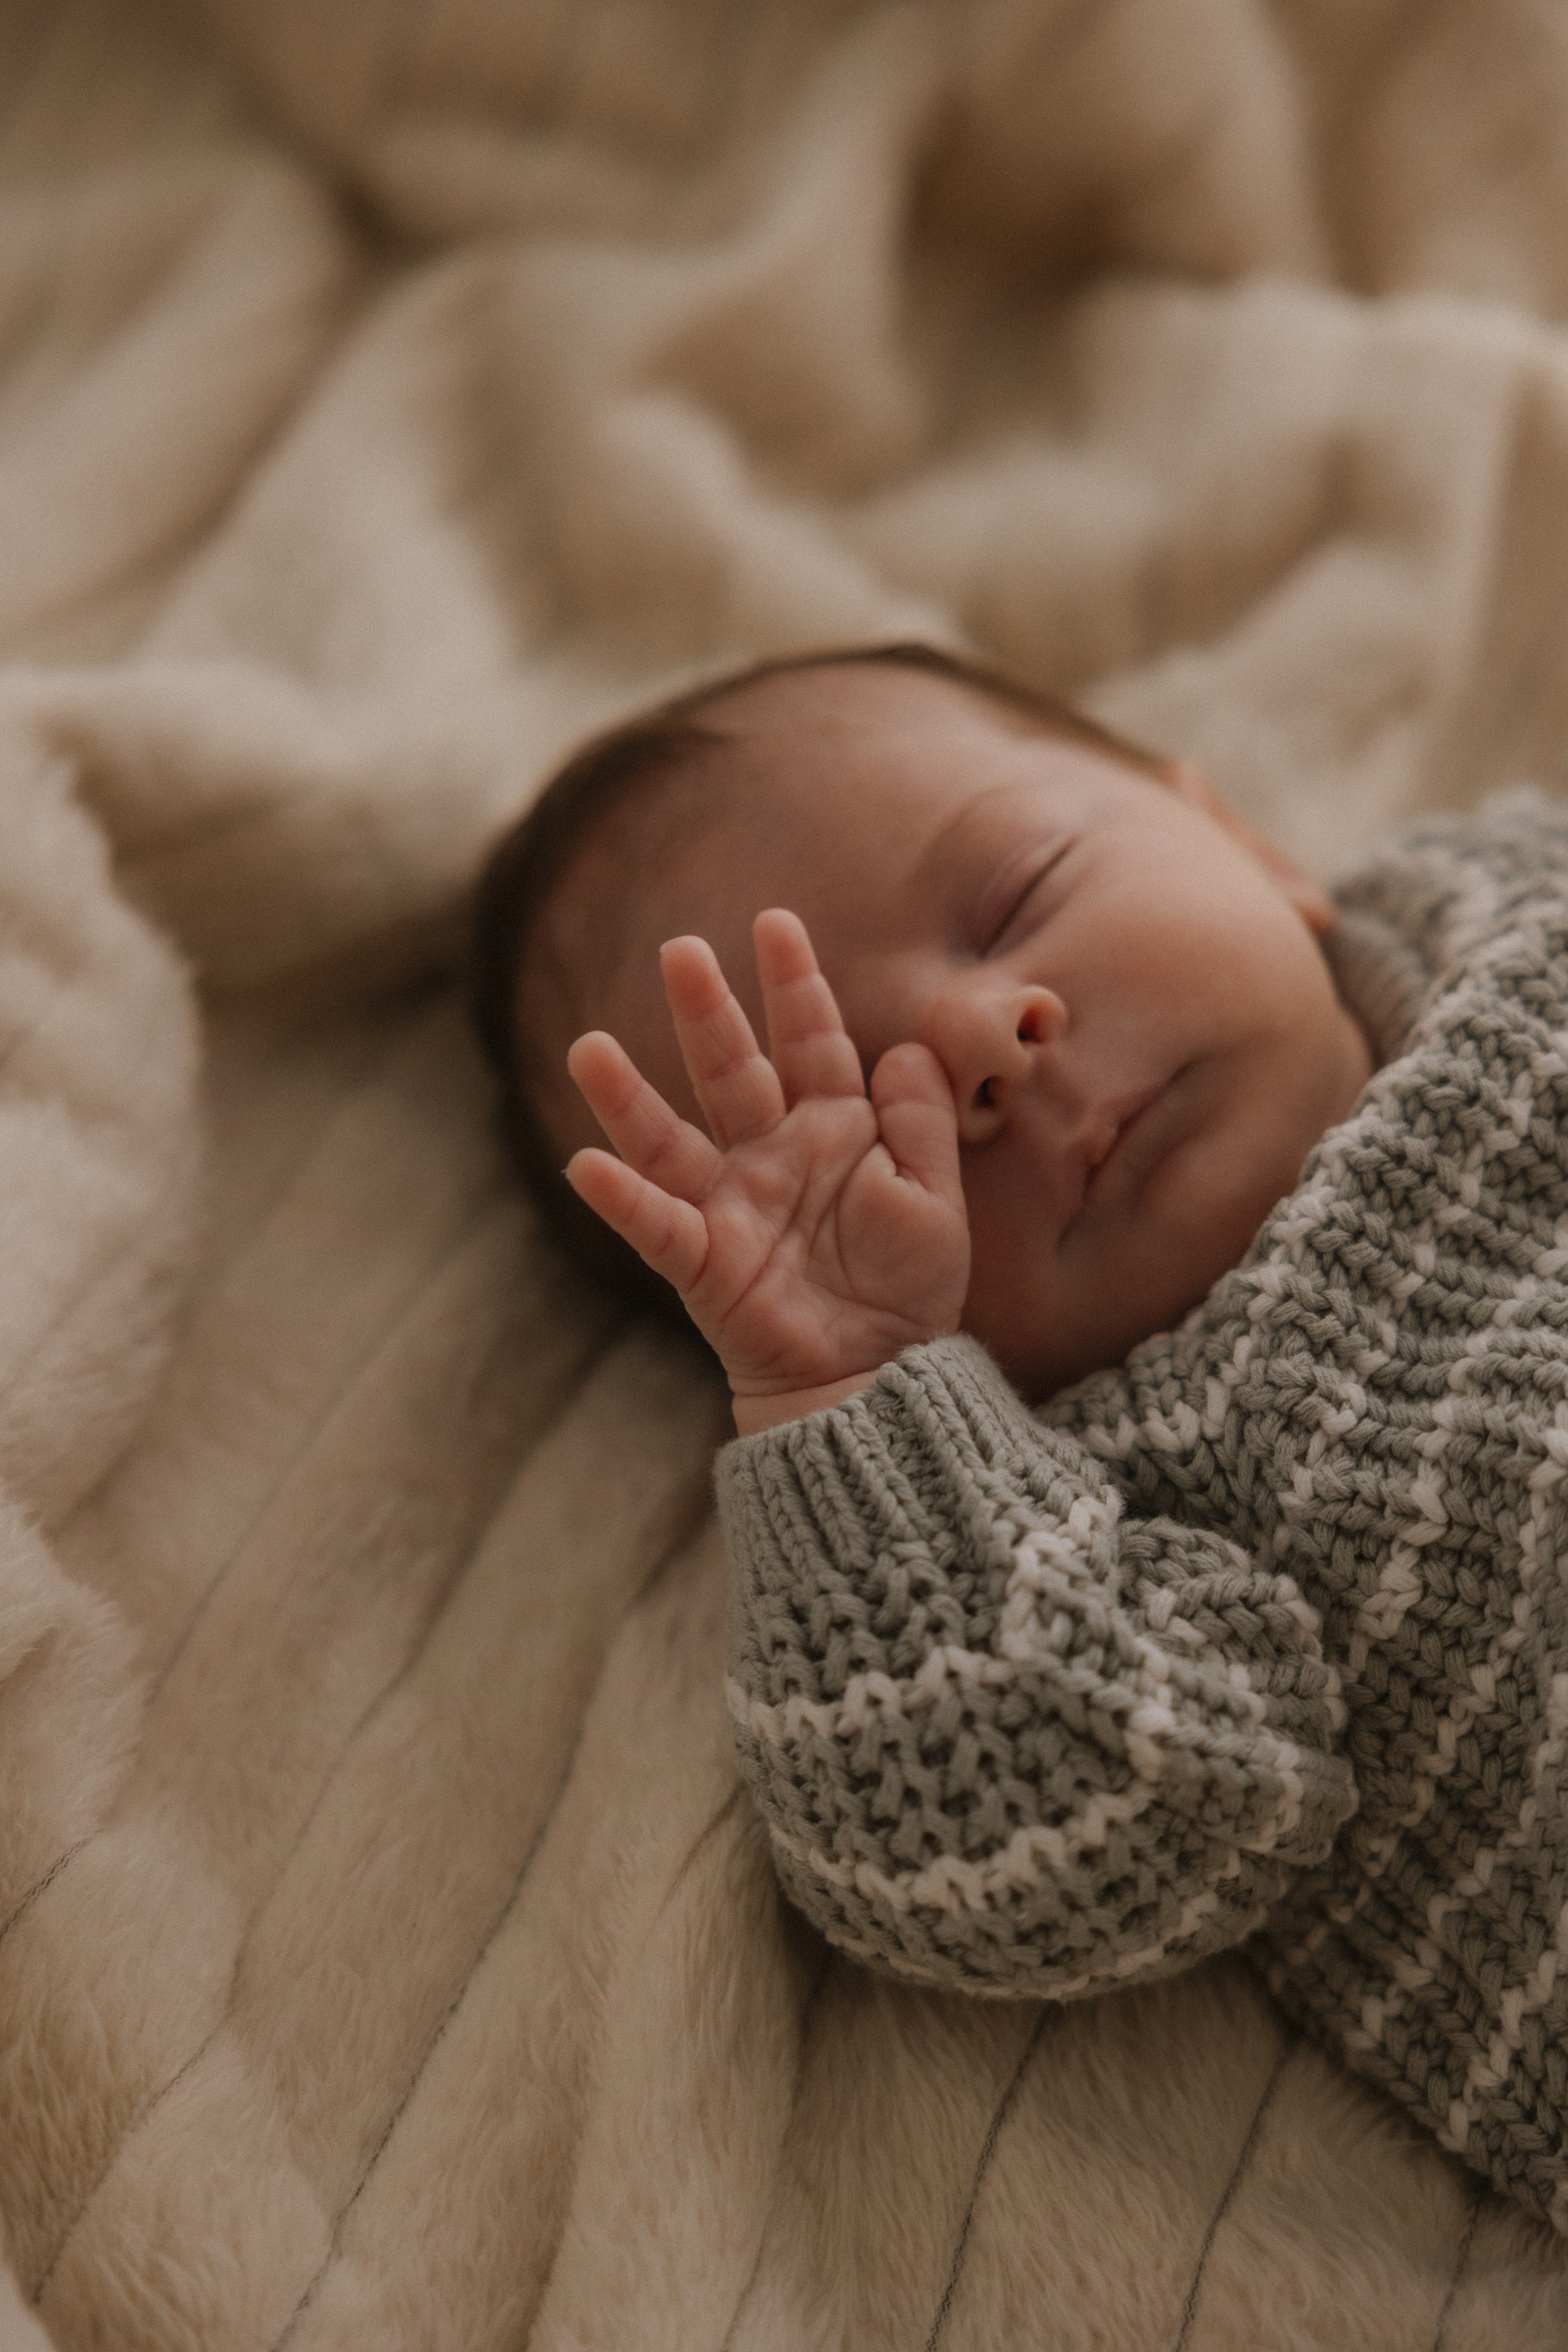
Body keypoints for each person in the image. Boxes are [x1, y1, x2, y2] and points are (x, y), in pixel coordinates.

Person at [470, 642, 1568, 2229]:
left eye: (1015, 895)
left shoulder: (1515, 908)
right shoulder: (1101, 1518)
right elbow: (1039, 1850)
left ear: (1244, 841)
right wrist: (848, 1397)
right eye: (840, 1113)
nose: (981, 1040)